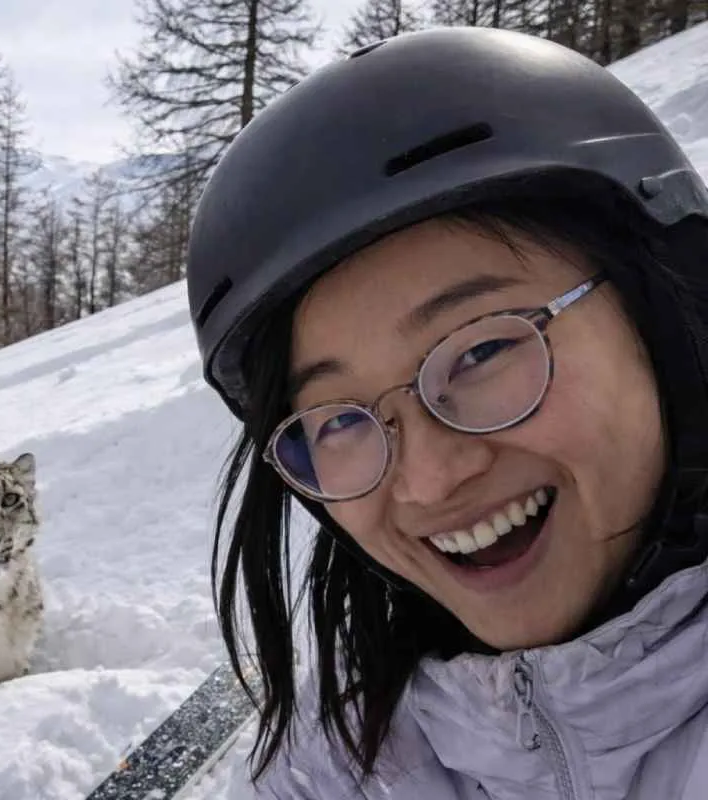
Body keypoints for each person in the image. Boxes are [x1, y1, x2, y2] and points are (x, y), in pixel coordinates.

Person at [186, 26, 708, 799]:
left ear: (667, 313)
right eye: (336, 420)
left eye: (482, 353)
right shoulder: (333, 768)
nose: (427, 481)